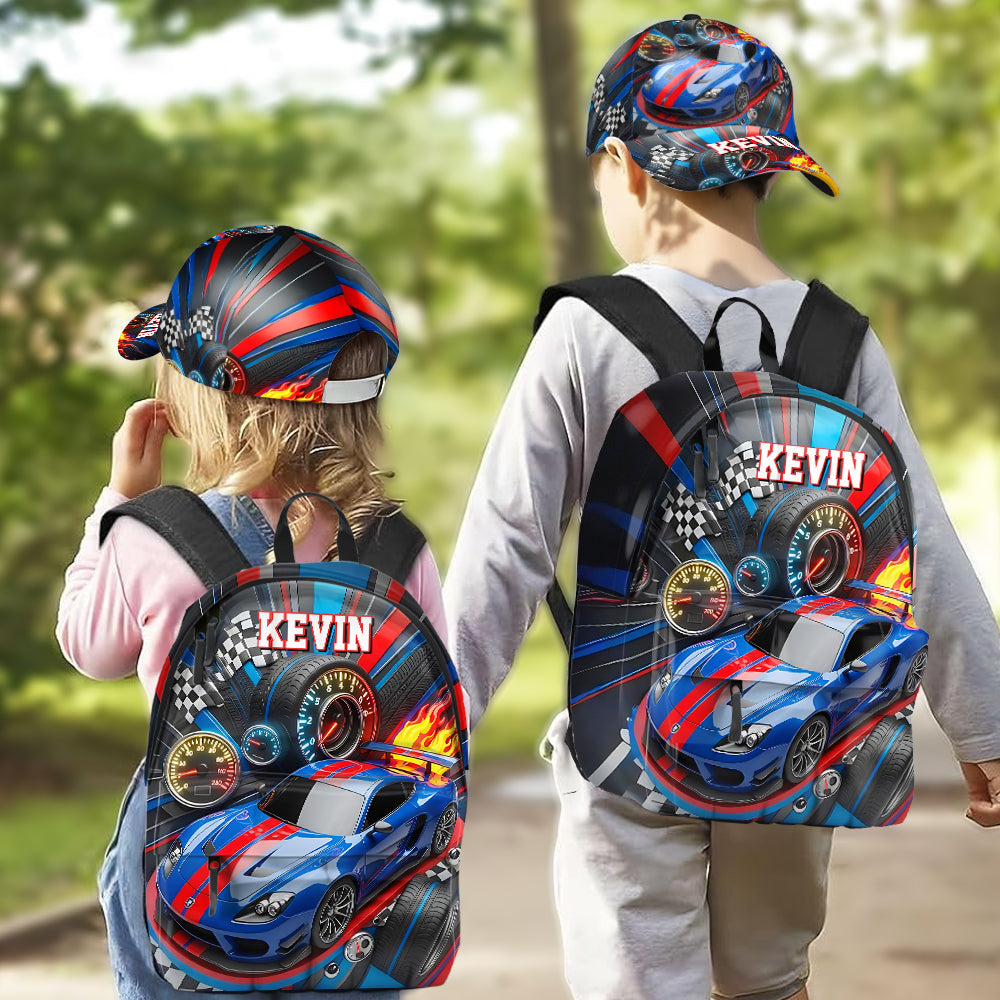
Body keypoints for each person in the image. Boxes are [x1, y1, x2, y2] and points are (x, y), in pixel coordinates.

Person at [443, 17, 1000, 1000]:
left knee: (637, 978)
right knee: (770, 976)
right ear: (772, 172)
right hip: (794, 736)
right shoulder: (837, 338)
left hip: (631, 734)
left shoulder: (586, 329)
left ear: (625, 169)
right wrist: (984, 727)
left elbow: (506, 547)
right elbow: (920, 542)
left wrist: (427, 749)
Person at [57, 225, 441, 1000]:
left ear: (203, 397)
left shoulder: (154, 535)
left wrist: (120, 500)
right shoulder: (399, 549)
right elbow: (432, 704)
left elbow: (88, 647)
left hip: (191, 856)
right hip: (350, 853)